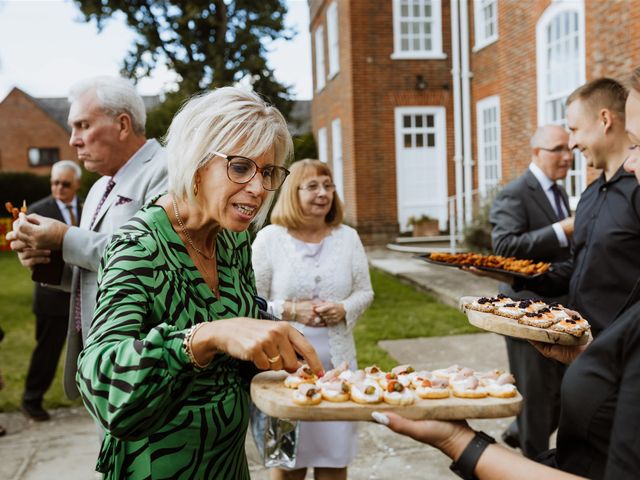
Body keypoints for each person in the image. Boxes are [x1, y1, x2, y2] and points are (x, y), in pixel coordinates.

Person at [371, 68, 640, 480]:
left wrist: (463, 445)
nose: (571, 144)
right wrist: (510, 278)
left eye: (573, 130)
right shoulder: (587, 197)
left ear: (606, 121)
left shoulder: (636, 190)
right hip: (586, 367)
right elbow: (576, 272)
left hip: (621, 382)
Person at [75, 87, 323, 479]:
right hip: (157, 468)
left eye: (268, 172)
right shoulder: (138, 247)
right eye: (241, 167)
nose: (258, 189)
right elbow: (101, 384)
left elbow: (235, 314)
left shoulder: (233, 237)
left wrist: (269, 336)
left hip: (227, 465)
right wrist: (202, 338)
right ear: (195, 160)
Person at [6, 76, 167, 400]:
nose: (74, 140)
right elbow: (99, 268)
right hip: (103, 361)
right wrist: (48, 260)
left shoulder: (166, 170)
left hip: (147, 358)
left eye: (82, 125)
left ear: (122, 125)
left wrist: (65, 237)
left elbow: (156, 257)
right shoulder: (97, 187)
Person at [252, 159, 374, 480]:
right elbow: (250, 300)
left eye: (328, 186)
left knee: (334, 460)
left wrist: (344, 309)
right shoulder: (269, 240)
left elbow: (365, 292)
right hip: (285, 368)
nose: (323, 193)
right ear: (294, 192)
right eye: (313, 186)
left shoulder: (348, 237)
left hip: (338, 366)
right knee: (286, 460)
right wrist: (291, 310)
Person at [489, 125, 573, 457]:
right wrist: (562, 229)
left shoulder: (560, 192)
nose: (568, 156)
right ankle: (532, 463)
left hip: (559, 308)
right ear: (537, 152)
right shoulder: (515, 193)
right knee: (537, 398)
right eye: (558, 149)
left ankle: (517, 431)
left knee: (563, 392)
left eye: (569, 148)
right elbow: (505, 247)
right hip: (525, 309)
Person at [21, 160, 83, 421]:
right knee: (47, 352)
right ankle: (31, 399)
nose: (59, 187)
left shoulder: (88, 207)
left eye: (65, 183)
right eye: (55, 182)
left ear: (76, 184)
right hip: (51, 297)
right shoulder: (37, 211)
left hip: (84, 293)